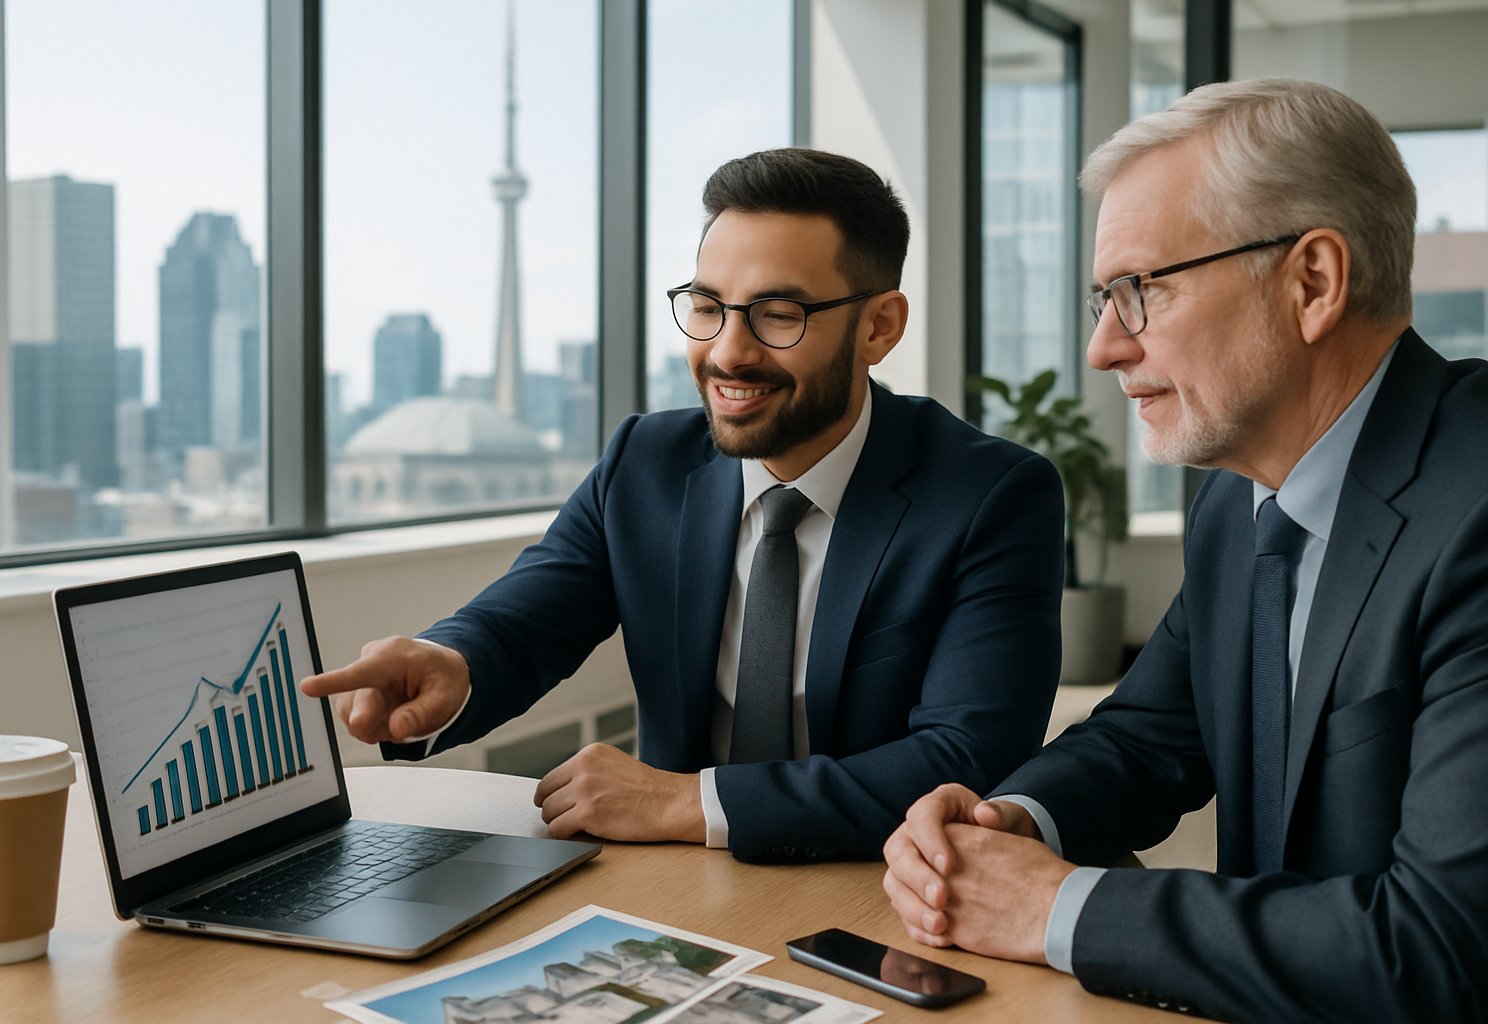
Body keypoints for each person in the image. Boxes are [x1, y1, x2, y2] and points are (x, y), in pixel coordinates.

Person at [882, 78, 1488, 1022]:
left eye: (1141, 290)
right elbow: (1148, 738)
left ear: (1312, 281)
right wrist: (1001, 827)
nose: (1104, 347)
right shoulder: (1240, 499)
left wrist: (1054, 905)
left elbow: (1442, 949)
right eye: (1105, 298)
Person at [302, 148, 1065, 863]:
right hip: (672, 891)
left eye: (778, 313)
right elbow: (528, 618)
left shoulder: (991, 496)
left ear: (878, 327)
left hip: (881, 885)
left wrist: (689, 802)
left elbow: (968, 757)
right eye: (707, 306)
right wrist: (450, 663)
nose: (728, 352)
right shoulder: (646, 462)